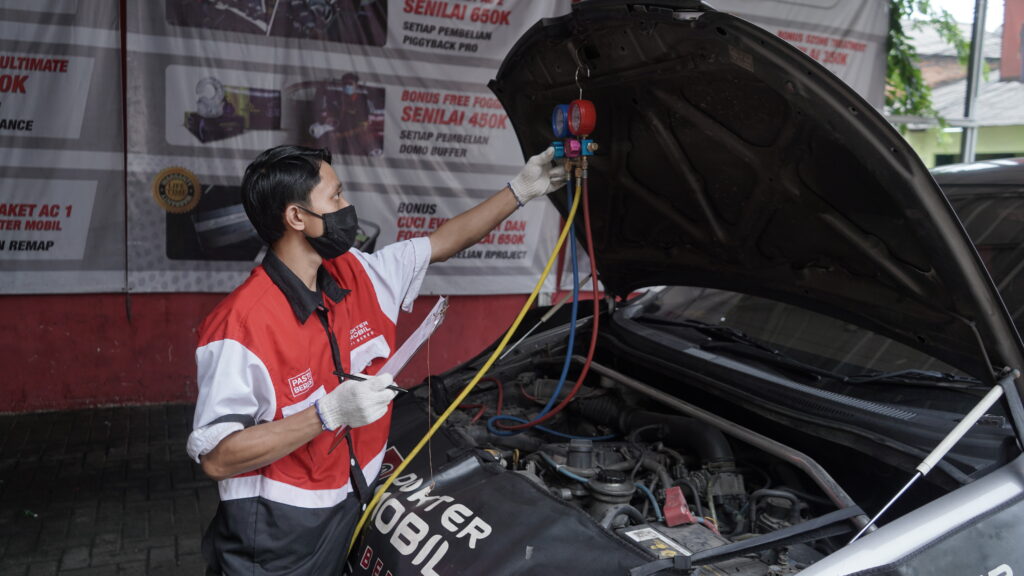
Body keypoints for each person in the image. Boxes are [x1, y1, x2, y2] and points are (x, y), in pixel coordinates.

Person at [186, 144, 566, 575]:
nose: (347, 207)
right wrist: (327, 413)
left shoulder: (358, 272)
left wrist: (521, 190)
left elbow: (442, 242)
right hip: (278, 533)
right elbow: (217, 457)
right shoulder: (240, 325)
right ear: (296, 218)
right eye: (336, 197)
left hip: (354, 503)